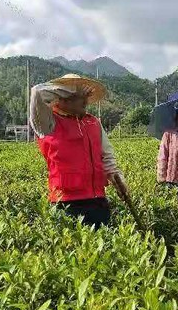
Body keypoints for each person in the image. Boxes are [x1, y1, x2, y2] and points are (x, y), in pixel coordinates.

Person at [30, 73, 128, 227]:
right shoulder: (48, 123)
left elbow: (107, 157)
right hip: (66, 204)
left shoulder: (93, 122)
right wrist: (69, 89)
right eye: (79, 97)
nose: (85, 100)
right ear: (62, 98)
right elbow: (37, 92)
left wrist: (118, 179)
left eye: (86, 97)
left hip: (97, 200)